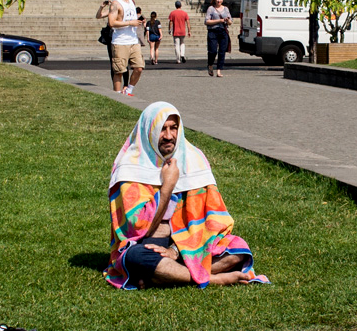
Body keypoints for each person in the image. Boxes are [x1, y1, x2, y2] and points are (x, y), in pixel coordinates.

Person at [105, 102, 269, 290]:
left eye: (173, 128)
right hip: (145, 244)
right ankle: (212, 278)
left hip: (186, 244)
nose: (168, 136)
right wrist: (168, 185)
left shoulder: (194, 159)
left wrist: (175, 250)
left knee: (238, 248)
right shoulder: (129, 168)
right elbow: (139, 228)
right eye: (162, 129)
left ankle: (165, 275)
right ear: (148, 131)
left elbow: (215, 219)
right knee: (134, 257)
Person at [107, 0, 143, 96]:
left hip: (133, 40)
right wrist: (130, 23)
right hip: (120, 41)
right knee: (119, 71)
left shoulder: (131, 1)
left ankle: (128, 90)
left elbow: (131, 18)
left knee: (139, 68)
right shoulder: (115, 4)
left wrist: (137, 21)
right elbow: (111, 22)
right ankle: (117, 95)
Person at [205, 0, 233, 77]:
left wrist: (227, 21)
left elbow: (230, 22)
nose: (219, 0)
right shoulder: (211, 8)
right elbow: (207, 21)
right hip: (213, 31)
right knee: (213, 51)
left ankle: (219, 70)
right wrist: (219, 21)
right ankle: (210, 64)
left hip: (223, 31)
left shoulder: (226, 9)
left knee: (222, 52)